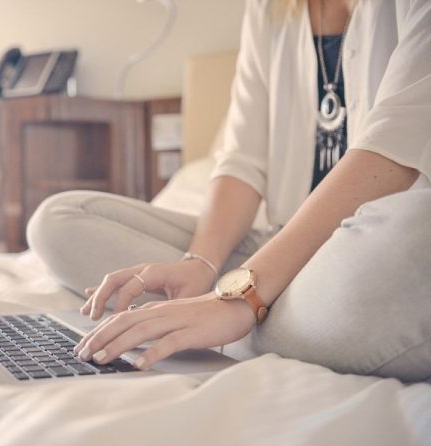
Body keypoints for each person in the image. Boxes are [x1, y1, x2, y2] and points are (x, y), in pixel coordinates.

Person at [29, 0, 431, 382]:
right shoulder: (269, 8)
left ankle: (229, 317)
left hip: (369, 247)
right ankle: (238, 317)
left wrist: (244, 296)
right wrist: (201, 263)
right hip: (279, 245)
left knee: (420, 229)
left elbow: (392, 148)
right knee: (60, 219)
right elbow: (242, 159)